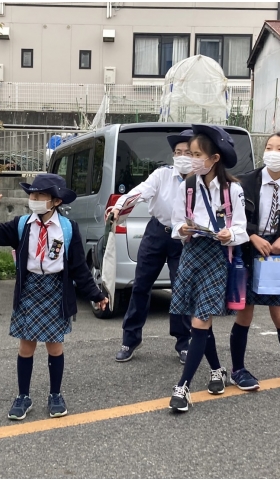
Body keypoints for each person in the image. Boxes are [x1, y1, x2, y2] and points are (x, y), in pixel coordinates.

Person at [0, 173, 108, 420]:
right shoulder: (22, 225)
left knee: (54, 346)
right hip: (30, 288)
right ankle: (23, 396)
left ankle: (55, 394)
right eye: (32, 194)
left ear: (56, 201)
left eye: (40, 195)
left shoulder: (68, 228)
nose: (34, 199)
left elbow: (78, 267)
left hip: (55, 290)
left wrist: (95, 294)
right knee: (26, 346)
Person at [168, 124, 249, 412]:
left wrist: (231, 234)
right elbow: (176, 224)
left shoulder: (233, 190)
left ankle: (183, 387)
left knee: (200, 321)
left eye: (197, 154)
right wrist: (184, 230)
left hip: (217, 257)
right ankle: (217, 370)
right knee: (199, 320)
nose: (191, 159)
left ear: (215, 158)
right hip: (192, 254)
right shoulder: (186, 186)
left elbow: (242, 228)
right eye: (189, 153)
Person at [230, 132, 280, 391]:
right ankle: (238, 370)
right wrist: (251, 235)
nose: (272, 152)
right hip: (246, 254)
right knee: (245, 313)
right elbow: (232, 218)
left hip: (276, 258)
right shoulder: (245, 182)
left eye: (279, 148)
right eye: (269, 147)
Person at [111, 129, 193, 364]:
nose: (182, 156)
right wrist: (119, 206)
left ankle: (183, 342)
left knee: (181, 290)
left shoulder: (200, 179)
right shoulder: (162, 175)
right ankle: (130, 339)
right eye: (178, 152)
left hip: (184, 237)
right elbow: (139, 192)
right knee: (141, 287)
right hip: (157, 232)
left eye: (187, 152)